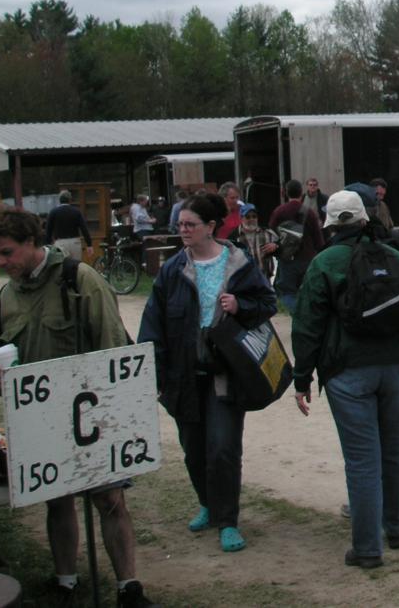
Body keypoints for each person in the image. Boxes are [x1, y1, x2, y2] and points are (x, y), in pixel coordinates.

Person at [0, 207, 158, 607]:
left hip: (93, 416)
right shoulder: (7, 296)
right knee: (56, 499)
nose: (1, 262)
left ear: (31, 241)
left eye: (7, 252)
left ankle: (129, 587)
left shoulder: (79, 279)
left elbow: (114, 348)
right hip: (40, 420)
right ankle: (66, 582)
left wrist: (114, 417)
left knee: (109, 500)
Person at [292, 191, 399, 569]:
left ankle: (368, 548)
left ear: (330, 224)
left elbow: (307, 326)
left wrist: (302, 377)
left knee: (361, 461)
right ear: (364, 219)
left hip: (348, 372)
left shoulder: (324, 263)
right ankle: (397, 528)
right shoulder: (396, 257)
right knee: (393, 450)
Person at [138, 193, 277, 555]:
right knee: (193, 449)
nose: (183, 230)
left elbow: (267, 303)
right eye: (180, 224)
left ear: (211, 226)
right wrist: (154, 373)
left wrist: (240, 305)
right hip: (183, 375)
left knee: (222, 448)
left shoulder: (239, 264)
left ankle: (228, 521)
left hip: (226, 373)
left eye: (190, 224)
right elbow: (153, 323)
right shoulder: (172, 270)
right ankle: (207, 504)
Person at [268, 179, 326, 311]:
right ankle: (306, 315)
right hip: (308, 259)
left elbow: (271, 235)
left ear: (286, 193)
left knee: (287, 292)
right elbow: (319, 241)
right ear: (301, 193)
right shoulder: (309, 212)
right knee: (308, 292)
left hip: (287, 260)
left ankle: (295, 314)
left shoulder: (279, 211)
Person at [230, 203, 279, 279]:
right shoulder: (234, 236)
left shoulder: (267, 232)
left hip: (265, 279)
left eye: (254, 216)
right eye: (248, 217)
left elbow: (282, 246)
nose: (251, 219)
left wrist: (276, 245)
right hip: (244, 280)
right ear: (241, 218)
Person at [45, 189, 94, 262]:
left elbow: (48, 231)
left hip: (60, 243)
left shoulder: (53, 212)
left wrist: (47, 245)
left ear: (59, 200)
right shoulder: (76, 211)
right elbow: (84, 229)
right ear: (70, 200)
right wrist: (89, 244)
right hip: (75, 242)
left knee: (62, 265)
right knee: (76, 265)